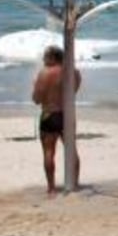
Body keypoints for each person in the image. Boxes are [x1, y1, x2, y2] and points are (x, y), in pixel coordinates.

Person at [31, 44, 81, 196]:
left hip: (50, 114)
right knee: (71, 150)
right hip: (67, 114)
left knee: (48, 152)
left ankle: (51, 188)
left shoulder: (44, 73)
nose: (43, 59)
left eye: (45, 56)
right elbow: (73, 91)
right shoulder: (74, 72)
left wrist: (36, 87)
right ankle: (74, 184)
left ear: (53, 57)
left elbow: (36, 99)